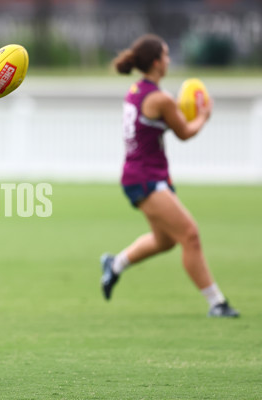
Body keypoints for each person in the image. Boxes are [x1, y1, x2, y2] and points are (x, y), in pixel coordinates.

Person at [100, 33, 239, 318]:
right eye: (165, 55)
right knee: (190, 234)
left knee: (165, 240)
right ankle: (217, 303)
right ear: (156, 62)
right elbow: (185, 132)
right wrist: (203, 114)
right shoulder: (160, 98)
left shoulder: (138, 89)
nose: (169, 59)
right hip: (145, 178)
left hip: (141, 174)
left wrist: (179, 108)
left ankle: (114, 265)